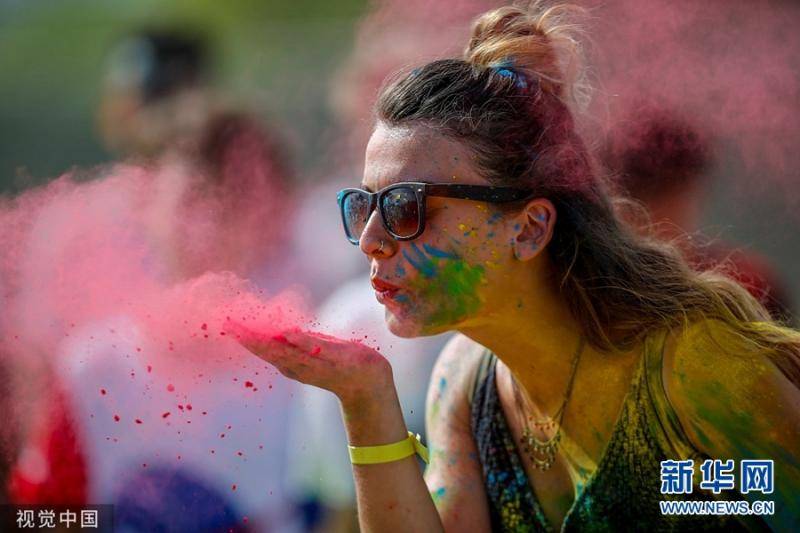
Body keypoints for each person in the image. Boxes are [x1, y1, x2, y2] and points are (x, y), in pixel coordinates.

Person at [231, 3, 800, 531]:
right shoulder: (466, 378)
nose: (371, 241)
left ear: (528, 228)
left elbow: (775, 498)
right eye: (364, 206)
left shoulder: (694, 370)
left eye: (408, 206)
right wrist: (365, 398)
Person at [602, 102, 794, 322]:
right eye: (639, 198)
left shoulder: (752, 286)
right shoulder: (596, 288)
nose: (649, 215)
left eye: (666, 194)